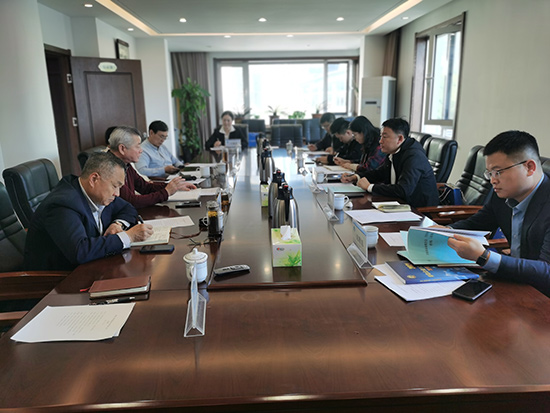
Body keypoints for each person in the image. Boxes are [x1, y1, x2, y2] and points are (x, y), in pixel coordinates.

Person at [447, 130, 550, 297]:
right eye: (490, 173)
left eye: (498, 172)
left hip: (541, 295)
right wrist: (446, 230)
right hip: (516, 282)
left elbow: (546, 271)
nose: (493, 180)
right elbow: (476, 223)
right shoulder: (503, 195)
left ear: (529, 167)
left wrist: (484, 256)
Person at [24, 152, 154, 271]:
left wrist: (117, 224)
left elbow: (128, 208)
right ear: (93, 179)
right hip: (60, 280)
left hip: (94, 266)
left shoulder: (97, 193)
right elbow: (80, 251)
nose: (117, 193)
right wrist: (129, 236)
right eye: (115, 186)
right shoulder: (62, 205)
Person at [342, 118, 438, 207]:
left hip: (418, 210)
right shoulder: (395, 150)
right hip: (399, 204)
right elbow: (380, 173)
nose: (380, 141)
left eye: (384, 137)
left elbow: (403, 190)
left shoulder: (414, 156)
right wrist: (356, 177)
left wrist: (370, 187)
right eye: (381, 136)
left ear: (400, 139)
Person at [108, 126, 196, 208]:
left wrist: (174, 186)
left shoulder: (125, 164)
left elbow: (145, 187)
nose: (141, 150)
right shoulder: (110, 168)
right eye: (138, 146)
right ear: (122, 149)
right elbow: (131, 201)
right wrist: (166, 192)